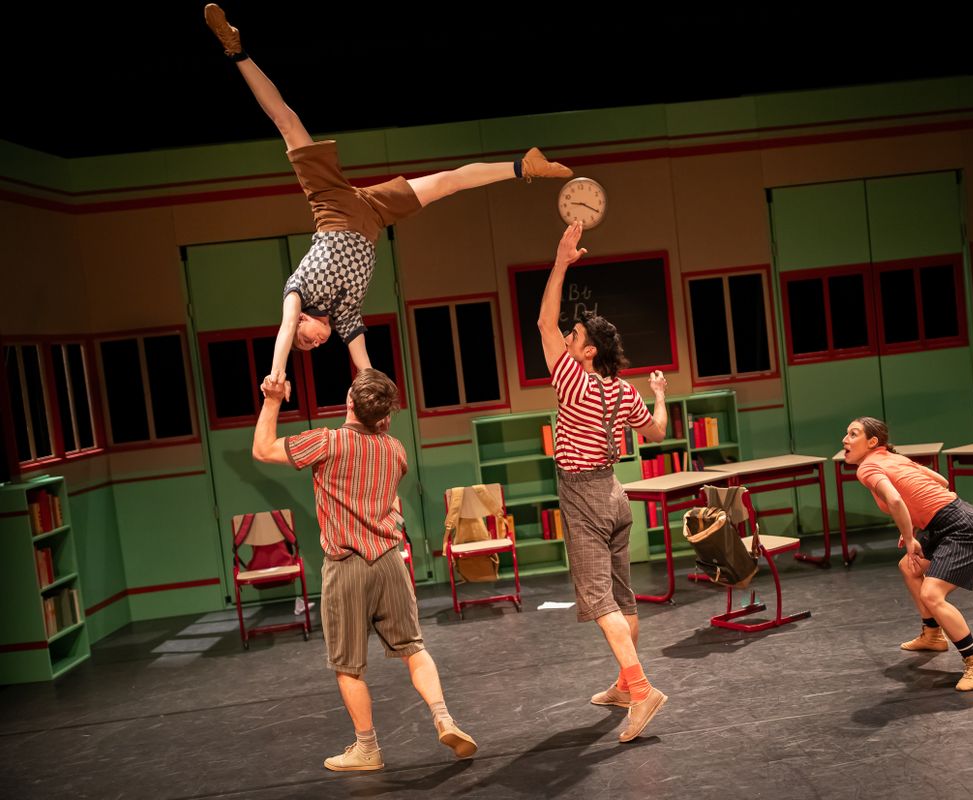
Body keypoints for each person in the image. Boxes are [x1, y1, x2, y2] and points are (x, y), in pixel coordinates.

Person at [205, 4, 572, 397]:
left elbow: (284, 328)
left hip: (333, 207)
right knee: (447, 184)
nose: (316, 343)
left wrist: (277, 373)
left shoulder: (297, 292)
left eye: (306, 339)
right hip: (373, 216)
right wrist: (374, 393)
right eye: (313, 347)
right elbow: (363, 365)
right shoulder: (344, 313)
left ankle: (235, 50)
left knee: (287, 122)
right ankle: (525, 166)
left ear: (302, 321)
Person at [252, 368, 478, 770]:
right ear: (385, 415)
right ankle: (444, 717)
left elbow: (263, 449)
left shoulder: (326, 442)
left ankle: (367, 748)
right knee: (414, 648)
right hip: (390, 562)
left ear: (349, 403)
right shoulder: (396, 450)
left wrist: (272, 399)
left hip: (347, 566)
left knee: (348, 666)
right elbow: (377, 442)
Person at [536, 220, 671, 741]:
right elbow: (657, 431)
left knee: (598, 602)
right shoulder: (624, 390)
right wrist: (660, 394)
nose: (567, 339)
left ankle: (641, 689)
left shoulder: (573, 378)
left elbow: (544, 322)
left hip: (585, 498)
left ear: (588, 351)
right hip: (616, 495)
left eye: (575, 337)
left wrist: (561, 261)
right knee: (623, 598)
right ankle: (622, 684)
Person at [842, 416, 973, 691]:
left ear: (872, 442)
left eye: (853, 434)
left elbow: (895, 499)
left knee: (932, 594)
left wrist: (910, 536)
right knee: (909, 567)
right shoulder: (893, 458)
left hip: (962, 528)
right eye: (847, 434)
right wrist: (913, 524)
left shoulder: (867, 467)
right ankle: (933, 634)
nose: (845, 440)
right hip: (949, 520)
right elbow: (941, 481)